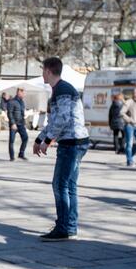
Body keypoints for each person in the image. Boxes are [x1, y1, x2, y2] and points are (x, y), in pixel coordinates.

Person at [33, 57, 90, 242]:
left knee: (60, 185)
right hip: (74, 142)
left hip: (72, 143)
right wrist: (39, 138)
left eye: (43, 70)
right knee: (69, 186)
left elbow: (62, 119)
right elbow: (54, 121)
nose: (42, 73)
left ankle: (64, 227)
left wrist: (47, 140)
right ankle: (69, 226)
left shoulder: (63, 90)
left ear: (49, 71)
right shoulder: (59, 90)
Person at [8, 88, 28, 161]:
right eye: (23, 93)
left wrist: (24, 123)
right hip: (14, 124)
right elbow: (9, 113)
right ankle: (12, 157)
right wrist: (13, 123)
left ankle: (21, 154)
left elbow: (22, 114)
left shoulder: (22, 102)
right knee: (12, 141)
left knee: (25, 138)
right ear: (19, 92)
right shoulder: (12, 101)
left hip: (21, 124)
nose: (24, 95)